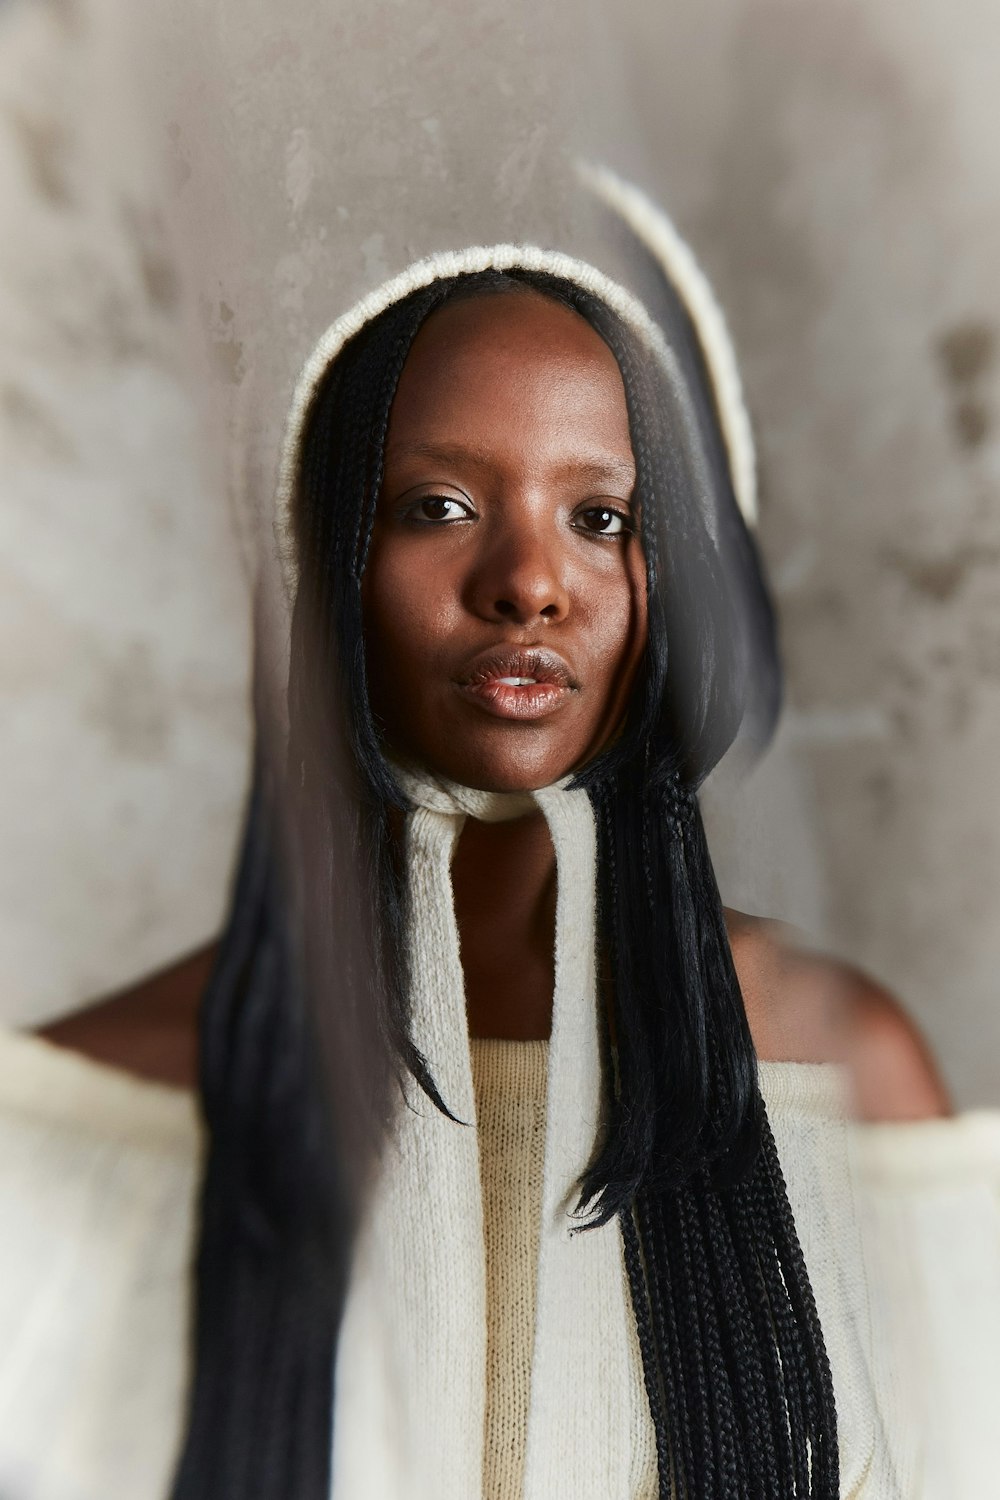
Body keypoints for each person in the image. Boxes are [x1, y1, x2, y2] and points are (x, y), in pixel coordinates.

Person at [5, 172, 989, 1500]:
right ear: (326, 562)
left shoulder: (849, 1076)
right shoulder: (89, 1123)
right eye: (440, 506)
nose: (527, 582)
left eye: (602, 519)